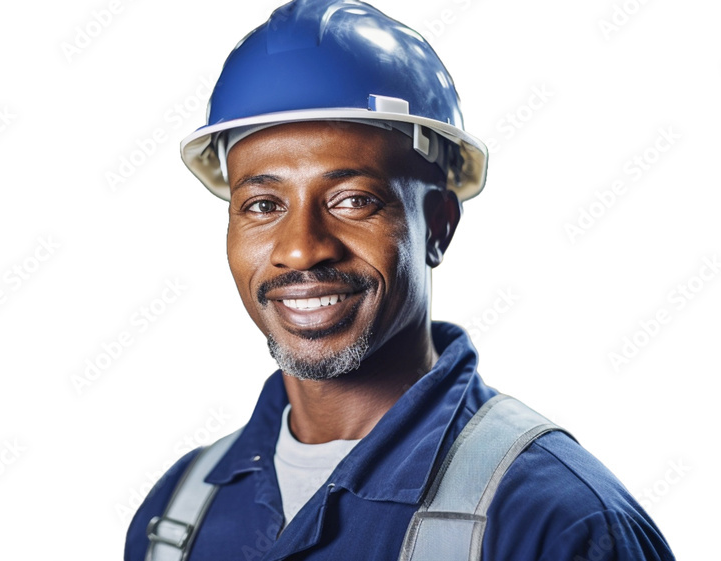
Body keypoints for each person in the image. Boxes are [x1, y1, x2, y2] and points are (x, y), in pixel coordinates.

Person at [125, 1, 674, 559]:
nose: (300, 249)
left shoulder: (557, 524)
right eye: (263, 205)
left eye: (353, 200)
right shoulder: (177, 517)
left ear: (438, 226)